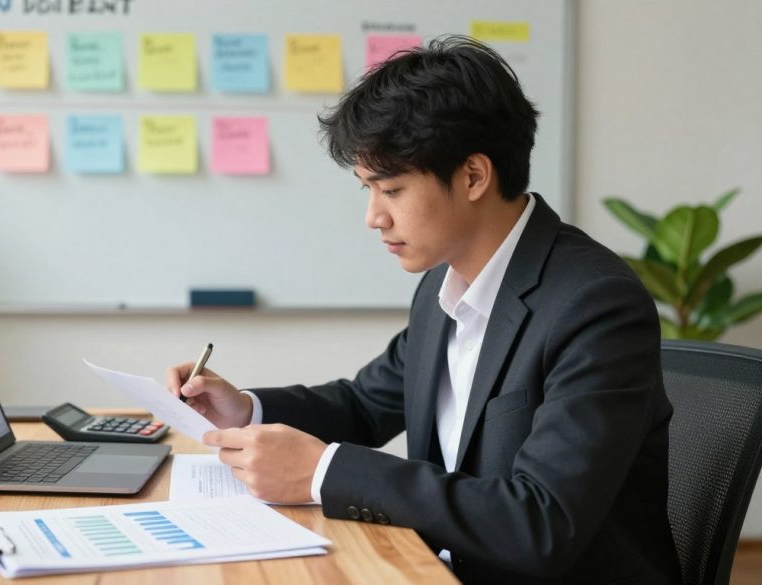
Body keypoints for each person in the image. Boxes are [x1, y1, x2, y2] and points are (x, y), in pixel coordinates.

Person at [166, 35, 681, 584]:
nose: (374, 217)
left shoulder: (594, 304)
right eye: (368, 189)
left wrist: (322, 471)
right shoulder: (445, 282)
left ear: (474, 176)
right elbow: (365, 406)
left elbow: (541, 522)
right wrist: (244, 409)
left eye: (391, 190)